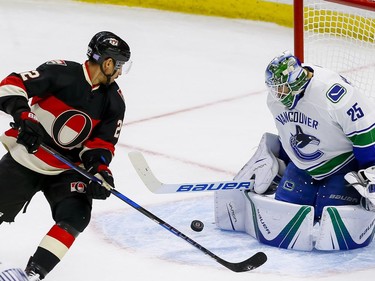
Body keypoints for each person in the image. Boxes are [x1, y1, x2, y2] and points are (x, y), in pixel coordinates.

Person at [0, 31, 131, 280]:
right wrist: (23, 116)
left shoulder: (114, 101)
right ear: (107, 63)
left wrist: (100, 172)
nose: (120, 72)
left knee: (75, 216)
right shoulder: (61, 72)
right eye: (120, 65)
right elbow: (11, 83)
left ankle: (33, 274)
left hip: (68, 168)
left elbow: (102, 144)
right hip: (27, 157)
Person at [215, 51, 375, 249]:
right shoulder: (275, 101)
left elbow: (365, 131)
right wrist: (279, 162)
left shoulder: (332, 93)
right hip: (303, 166)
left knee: (330, 217)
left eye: (281, 88)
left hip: (343, 165)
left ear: (296, 81)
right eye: (274, 88)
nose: (277, 94)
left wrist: (370, 167)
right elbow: (288, 132)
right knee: (284, 212)